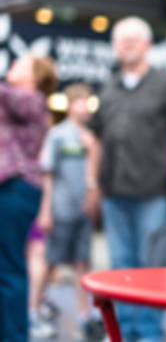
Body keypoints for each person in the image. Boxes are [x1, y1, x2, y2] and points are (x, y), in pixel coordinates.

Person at [86, 17, 166, 342]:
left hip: (154, 190)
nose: (128, 44)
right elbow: (95, 138)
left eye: (135, 39)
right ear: (115, 48)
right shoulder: (108, 89)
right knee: (120, 265)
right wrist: (92, 184)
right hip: (112, 191)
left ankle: (149, 334)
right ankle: (122, 331)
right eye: (122, 40)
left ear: (148, 45)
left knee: (151, 267)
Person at [32, 83, 104, 341]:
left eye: (88, 101)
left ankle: (85, 314)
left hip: (83, 211)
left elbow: (95, 176)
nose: (84, 107)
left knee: (82, 262)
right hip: (61, 209)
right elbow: (48, 175)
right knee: (52, 259)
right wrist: (46, 210)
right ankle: (33, 308)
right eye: (79, 101)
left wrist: (93, 149)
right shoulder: (58, 135)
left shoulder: (93, 137)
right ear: (70, 104)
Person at [0, 55, 57, 342]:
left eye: (20, 63)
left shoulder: (31, 99)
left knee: (9, 268)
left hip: (15, 188)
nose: (12, 65)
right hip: (13, 189)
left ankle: (14, 336)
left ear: (34, 77)